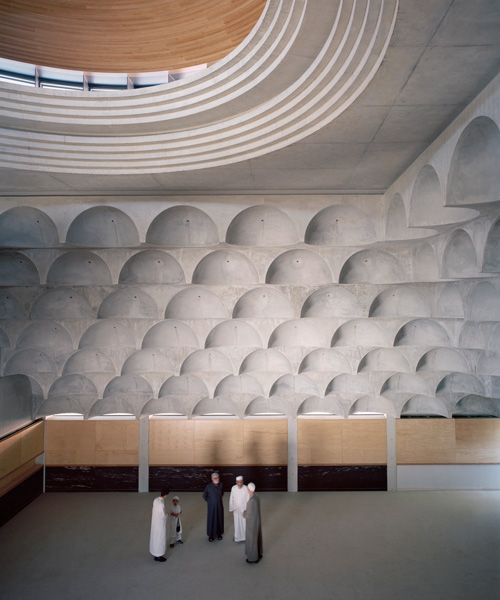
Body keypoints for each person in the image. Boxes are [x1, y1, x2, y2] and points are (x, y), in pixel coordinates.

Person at [243, 482, 263, 564]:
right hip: (257, 520)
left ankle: (253, 558)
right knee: (257, 537)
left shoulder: (251, 500)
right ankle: (258, 553)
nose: (247, 489)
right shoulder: (256, 496)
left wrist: (244, 513)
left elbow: (248, 515)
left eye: (248, 488)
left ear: (250, 490)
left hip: (251, 523)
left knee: (251, 539)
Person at [202, 472, 224, 542]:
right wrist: (210, 501)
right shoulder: (208, 486)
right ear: (212, 479)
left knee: (219, 519)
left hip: (219, 506)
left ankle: (219, 534)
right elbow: (204, 496)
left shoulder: (221, 485)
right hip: (211, 507)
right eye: (215, 478)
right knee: (212, 520)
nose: (217, 479)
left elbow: (222, 493)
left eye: (218, 478)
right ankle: (211, 535)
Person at [149, 488, 169, 562]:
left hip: (155, 522)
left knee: (155, 537)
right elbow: (163, 515)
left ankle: (154, 551)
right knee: (160, 538)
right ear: (166, 495)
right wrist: (167, 515)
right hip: (160, 523)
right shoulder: (161, 503)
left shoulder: (156, 499)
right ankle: (158, 555)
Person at [229, 475, 249, 542]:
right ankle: (237, 537)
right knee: (237, 524)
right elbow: (231, 498)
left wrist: (247, 509)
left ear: (242, 481)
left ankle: (245, 537)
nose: (240, 483)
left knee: (244, 523)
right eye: (238, 482)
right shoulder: (233, 488)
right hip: (236, 509)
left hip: (244, 509)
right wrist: (231, 508)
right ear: (236, 482)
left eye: (241, 482)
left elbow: (248, 499)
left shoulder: (246, 488)